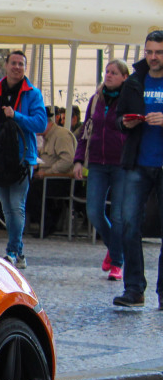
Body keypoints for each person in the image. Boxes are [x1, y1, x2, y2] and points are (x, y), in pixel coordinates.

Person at [0, 50, 47, 269]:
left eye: (21, 64)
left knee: (16, 206)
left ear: (25, 68)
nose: (17, 67)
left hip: (23, 157)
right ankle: (19, 252)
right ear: (6, 66)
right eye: (13, 63)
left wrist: (16, 116)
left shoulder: (32, 93)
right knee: (7, 207)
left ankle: (12, 251)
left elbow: (40, 124)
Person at [112, 30, 163, 307]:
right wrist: (126, 123)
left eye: (159, 52)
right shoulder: (134, 80)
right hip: (138, 162)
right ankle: (134, 289)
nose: (153, 57)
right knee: (129, 224)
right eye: (149, 51)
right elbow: (118, 118)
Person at [74, 59, 129, 282]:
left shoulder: (129, 99)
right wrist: (79, 160)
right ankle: (114, 248)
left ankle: (117, 262)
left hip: (121, 164)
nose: (109, 75)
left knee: (117, 215)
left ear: (124, 77)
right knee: (94, 212)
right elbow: (86, 130)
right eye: (107, 72)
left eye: (114, 73)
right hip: (96, 162)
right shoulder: (97, 99)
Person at [27, 110, 76, 237]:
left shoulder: (61, 135)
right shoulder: (47, 137)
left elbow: (67, 160)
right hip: (48, 177)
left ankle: (47, 223)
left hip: (61, 179)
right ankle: (45, 222)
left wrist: (47, 172)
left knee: (31, 190)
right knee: (23, 185)